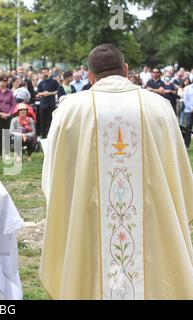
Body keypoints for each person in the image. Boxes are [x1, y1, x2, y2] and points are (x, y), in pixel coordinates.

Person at [40, 43, 193, 299]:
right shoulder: (158, 106)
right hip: (152, 215)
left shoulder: (70, 109)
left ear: (90, 76)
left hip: (88, 214)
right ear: (125, 69)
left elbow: (54, 173)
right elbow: (178, 171)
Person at [0, 74, 16, 158]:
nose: (3, 82)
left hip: (8, 115)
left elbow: (13, 104)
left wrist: (9, 113)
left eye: (5, 80)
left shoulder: (10, 92)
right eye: (1, 80)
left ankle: (7, 153)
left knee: (7, 134)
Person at [36, 67, 59, 139]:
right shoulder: (40, 83)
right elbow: (38, 93)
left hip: (51, 104)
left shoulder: (54, 82)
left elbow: (57, 91)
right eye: (43, 72)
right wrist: (43, 93)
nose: (44, 73)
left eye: (46, 72)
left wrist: (50, 93)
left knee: (51, 121)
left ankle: (51, 137)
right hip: (43, 105)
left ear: (49, 72)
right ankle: (43, 136)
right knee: (43, 122)